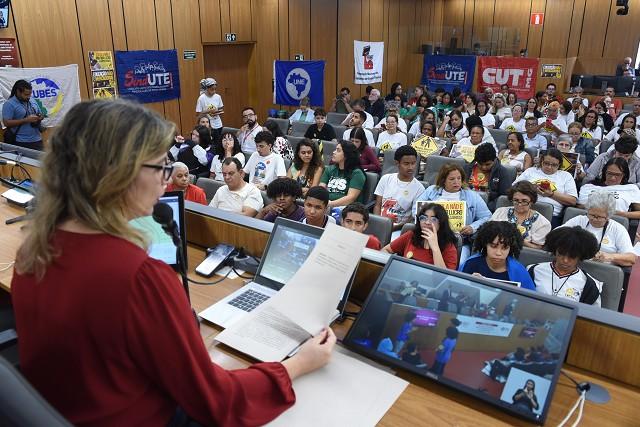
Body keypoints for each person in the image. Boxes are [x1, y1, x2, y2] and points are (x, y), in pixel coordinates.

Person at [11, 99, 335, 426]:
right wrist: (298, 364)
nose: (165, 181)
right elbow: (214, 399)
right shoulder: (138, 275)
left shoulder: (34, 249)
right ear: (119, 173)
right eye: (158, 167)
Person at [414, 163, 492, 243]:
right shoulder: (431, 191)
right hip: (429, 237)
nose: (456, 182)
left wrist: (472, 227)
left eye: (459, 178)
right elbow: (416, 209)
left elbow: (486, 217)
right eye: (452, 179)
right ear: (443, 180)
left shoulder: (472, 196)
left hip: (458, 240)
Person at [527, 227, 602, 306]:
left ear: (580, 257)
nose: (565, 260)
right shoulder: (534, 270)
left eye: (572, 256)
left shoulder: (588, 285)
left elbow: (592, 314)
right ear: (555, 250)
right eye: (561, 254)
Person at [566, 190, 636, 267]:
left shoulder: (618, 229)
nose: (594, 219)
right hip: (574, 265)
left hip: (601, 270)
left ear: (609, 216)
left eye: (599, 217)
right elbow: (556, 237)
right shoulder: (578, 220)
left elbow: (631, 258)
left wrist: (611, 257)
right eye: (591, 215)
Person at [459, 221, 536, 289]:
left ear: (511, 248)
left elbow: (531, 301)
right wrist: (469, 285)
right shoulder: (470, 263)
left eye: (505, 248)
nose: (498, 253)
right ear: (485, 244)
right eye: (493, 246)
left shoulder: (518, 271)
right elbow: (456, 290)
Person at [382, 202, 459, 269]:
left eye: (433, 219)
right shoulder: (411, 235)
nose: (427, 222)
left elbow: (445, 278)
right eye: (423, 218)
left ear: (441, 223)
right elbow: (385, 250)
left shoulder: (449, 247)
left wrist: (435, 248)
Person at [514, 148, 578, 227]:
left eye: (554, 165)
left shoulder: (566, 176)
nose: (549, 167)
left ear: (559, 165)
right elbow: (514, 188)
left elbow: (572, 201)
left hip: (551, 216)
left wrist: (551, 194)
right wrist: (531, 189)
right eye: (546, 163)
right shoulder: (531, 171)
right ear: (541, 161)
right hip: (524, 210)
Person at [374, 145, 424, 231]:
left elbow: (412, 217)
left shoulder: (420, 188)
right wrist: (379, 223)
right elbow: (377, 205)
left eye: (413, 163)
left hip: (399, 229)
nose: (410, 167)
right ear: (397, 163)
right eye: (406, 164)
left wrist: (392, 228)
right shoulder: (386, 179)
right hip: (380, 224)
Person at [491, 181, 551, 249]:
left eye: (524, 201)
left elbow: (537, 248)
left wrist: (517, 239)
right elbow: (489, 233)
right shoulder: (500, 212)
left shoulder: (543, 223)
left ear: (532, 201)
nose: (519, 204)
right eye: (516, 200)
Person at [464, 142, 512, 211]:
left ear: (494, 160)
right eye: (480, 164)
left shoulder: (502, 172)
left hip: (488, 207)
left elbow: (503, 198)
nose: (484, 167)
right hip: (467, 204)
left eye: (488, 164)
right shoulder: (468, 168)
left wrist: (486, 208)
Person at [319, 140, 366, 208]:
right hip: (326, 205)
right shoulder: (329, 169)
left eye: (338, 150)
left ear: (347, 155)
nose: (333, 152)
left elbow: (350, 198)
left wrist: (330, 204)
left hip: (347, 209)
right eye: (335, 149)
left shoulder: (357, 173)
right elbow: (321, 189)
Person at [2, 79, 45, 150]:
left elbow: (40, 113)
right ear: (18, 92)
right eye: (26, 94)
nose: (28, 96)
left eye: (30, 94)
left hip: (37, 140)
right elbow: (6, 123)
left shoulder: (32, 100)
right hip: (20, 142)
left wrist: (40, 117)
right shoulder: (9, 104)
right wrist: (26, 120)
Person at [195, 77, 224, 144]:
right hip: (207, 125)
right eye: (212, 89)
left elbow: (221, 109)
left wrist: (218, 111)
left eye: (215, 89)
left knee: (219, 142)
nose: (214, 91)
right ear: (206, 88)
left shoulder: (218, 97)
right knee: (210, 143)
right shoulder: (201, 98)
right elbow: (198, 114)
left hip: (218, 123)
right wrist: (208, 111)